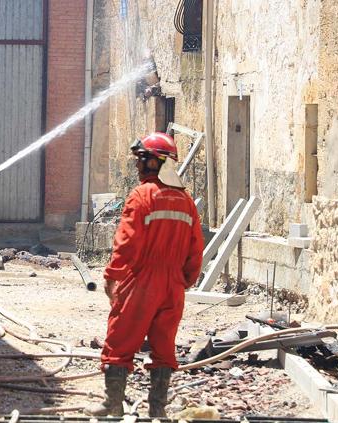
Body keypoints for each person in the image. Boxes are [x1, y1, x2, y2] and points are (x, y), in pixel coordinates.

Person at [84, 132, 204, 418]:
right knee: (164, 346)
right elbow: (196, 248)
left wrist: (113, 277)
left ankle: (113, 404)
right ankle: (157, 411)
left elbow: (126, 243)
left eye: (142, 160)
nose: (138, 166)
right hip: (172, 285)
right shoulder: (186, 201)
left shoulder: (141, 196)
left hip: (141, 281)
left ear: (155, 163)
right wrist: (183, 280)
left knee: (120, 340)